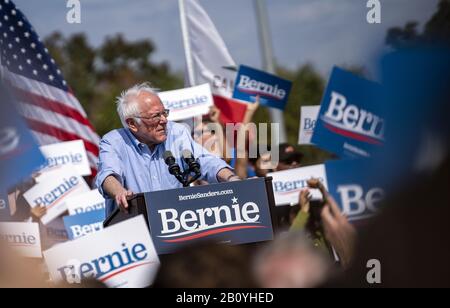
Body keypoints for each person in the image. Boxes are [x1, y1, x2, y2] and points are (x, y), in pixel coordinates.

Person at [95, 83, 240, 217]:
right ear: (132, 123)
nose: (164, 120)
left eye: (164, 113)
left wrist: (231, 178)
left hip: (176, 222)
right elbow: (108, 175)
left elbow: (205, 161)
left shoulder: (177, 132)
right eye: (155, 116)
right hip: (136, 229)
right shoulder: (113, 142)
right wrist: (120, 193)